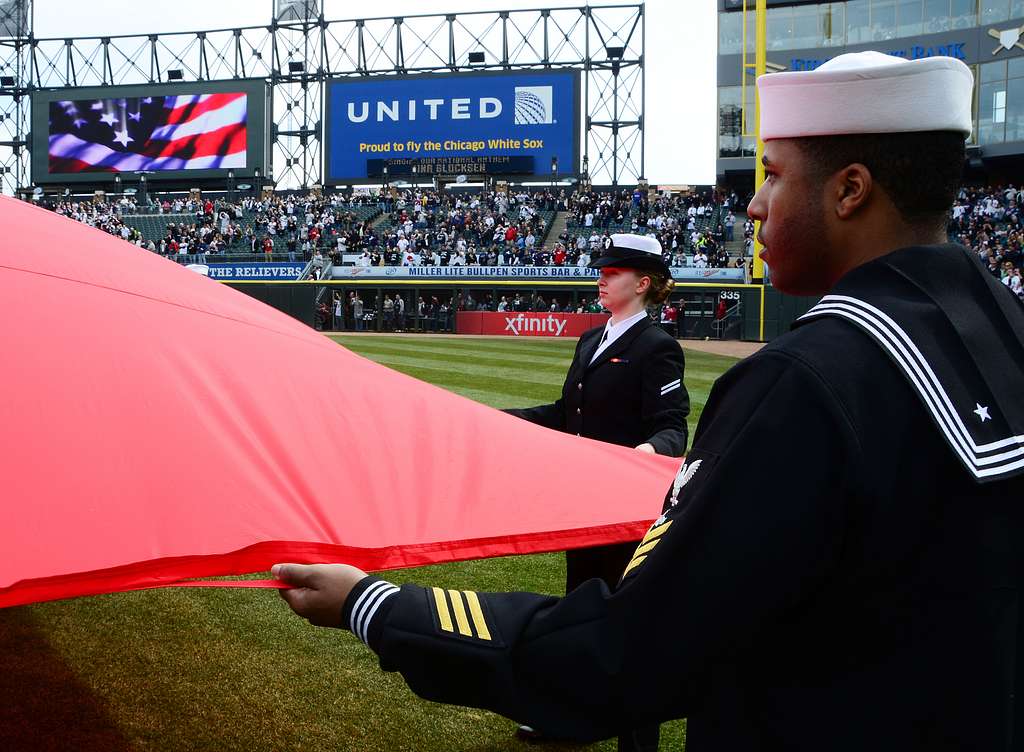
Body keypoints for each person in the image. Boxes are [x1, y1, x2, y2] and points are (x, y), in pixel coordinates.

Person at [273, 52, 1024, 751]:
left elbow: (627, 650)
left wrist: (374, 606)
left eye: (771, 176)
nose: (754, 206)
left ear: (849, 189)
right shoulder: (1003, 328)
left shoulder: (805, 379)